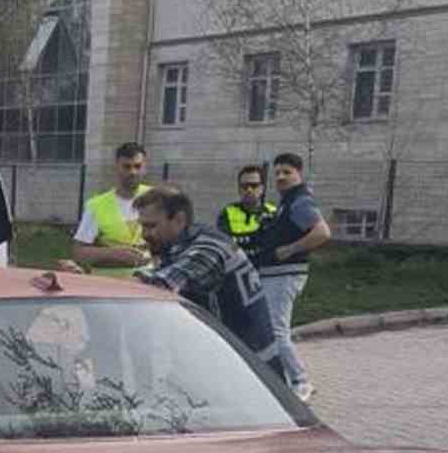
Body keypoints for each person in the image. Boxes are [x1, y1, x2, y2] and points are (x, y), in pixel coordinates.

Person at [132, 184, 282, 375]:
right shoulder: (181, 246)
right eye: (142, 226)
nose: (144, 234)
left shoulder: (208, 249)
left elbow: (158, 287)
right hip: (230, 361)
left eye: (151, 226)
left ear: (179, 220)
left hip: (250, 371)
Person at [251, 152, 332, 402]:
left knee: (277, 331)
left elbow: (322, 232)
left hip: (284, 275)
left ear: (299, 174)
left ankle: (301, 381)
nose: (281, 177)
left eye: (287, 172)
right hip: (276, 274)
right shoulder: (288, 201)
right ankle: (284, 382)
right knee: (272, 329)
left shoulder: (300, 201)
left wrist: (289, 249)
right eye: (277, 173)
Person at [69, 142, 151, 276]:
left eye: (137, 166)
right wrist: (113, 254)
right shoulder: (96, 205)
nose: (132, 172)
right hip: (108, 283)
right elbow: (79, 253)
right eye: (126, 167)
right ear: (116, 167)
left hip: (148, 283)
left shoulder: (157, 198)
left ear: (145, 168)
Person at [216, 165, 276, 256]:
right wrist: (255, 236)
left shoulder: (273, 212)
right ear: (239, 189)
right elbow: (224, 245)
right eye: (244, 186)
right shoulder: (227, 212)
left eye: (254, 186)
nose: (249, 190)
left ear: (262, 188)